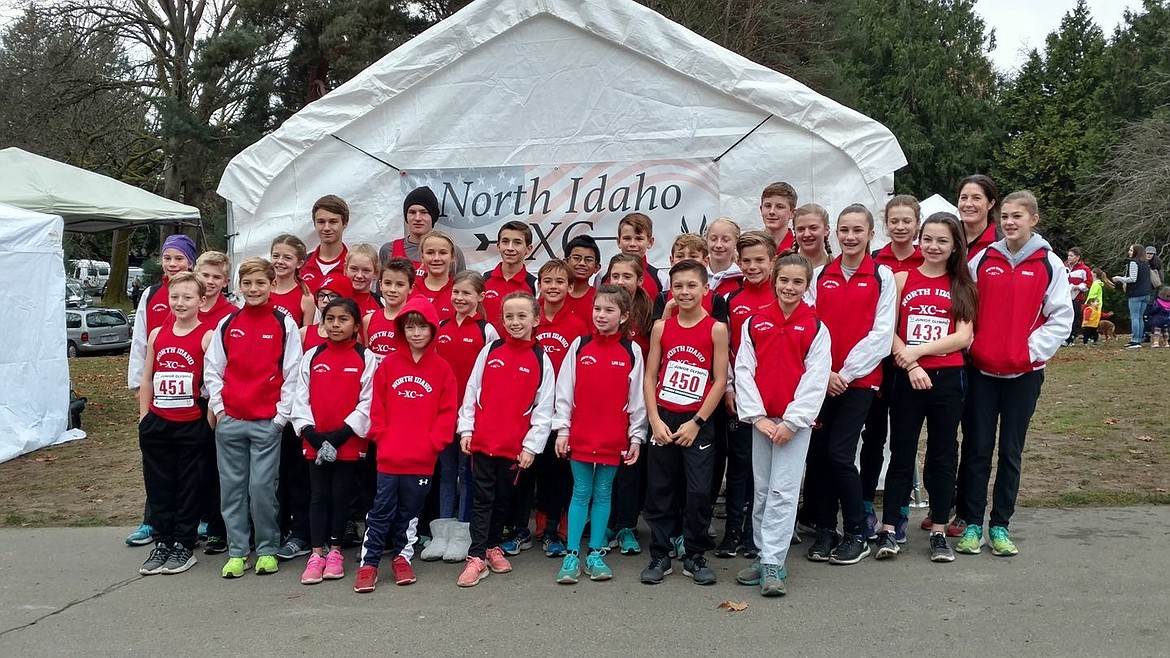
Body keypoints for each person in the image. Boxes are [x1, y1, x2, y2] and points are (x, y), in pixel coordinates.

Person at [956, 191, 1072, 557]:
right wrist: (974, 348)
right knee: (977, 449)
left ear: (1033, 220)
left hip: (1024, 375)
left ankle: (1001, 525)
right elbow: (965, 308)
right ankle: (972, 523)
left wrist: (1027, 353)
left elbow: (1061, 317)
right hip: (983, 373)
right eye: (1004, 216)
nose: (1009, 222)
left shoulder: (1049, 264)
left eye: (1017, 216)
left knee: (1010, 451)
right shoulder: (982, 260)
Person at [877, 213, 976, 563]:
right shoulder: (902, 278)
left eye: (942, 241)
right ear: (920, 240)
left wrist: (917, 352)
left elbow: (963, 336)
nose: (934, 247)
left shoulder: (961, 284)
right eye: (928, 239)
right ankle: (889, 528)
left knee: (942, 454)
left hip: (947, 379)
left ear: (954, 247)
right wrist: (912, 364)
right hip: (907, 377)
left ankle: (937, 531)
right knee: (902, 452)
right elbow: (885, 329)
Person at [732, 253, 831, 597]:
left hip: (793, 426)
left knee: (782, 491)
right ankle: (764, 554)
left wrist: (792, 421)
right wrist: (757, 417)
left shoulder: (816, 327)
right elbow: (743, 369)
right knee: (761, 489)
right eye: (784, 281)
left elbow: (815, 380)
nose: (790, 288)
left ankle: (774, 561)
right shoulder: (755, 322)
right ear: (774, 281)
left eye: (798, 282)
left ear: (807, 285)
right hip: (762, 422)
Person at [804, 205, 896, 566]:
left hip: (860, 382)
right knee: (820, 455)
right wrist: (825, 373)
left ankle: (857, 531)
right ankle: (827, 530)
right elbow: (810, 326)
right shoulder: (820, 274)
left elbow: (882, 333)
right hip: (823, 381)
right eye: (844, 230)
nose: (850, 236)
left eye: (858, 230)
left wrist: (847, 371)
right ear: (835, 234)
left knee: (842, 455)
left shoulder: (882, 277)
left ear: (872, 234)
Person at [204, 257, 303, 578]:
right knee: (231, 489)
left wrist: (279, 418)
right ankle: (236, 551)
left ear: (272, 285)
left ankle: (266, 549)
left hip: (266, 423)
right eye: (247, 283)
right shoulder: (228, 323)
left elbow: (292, 373)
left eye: (260, 283)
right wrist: (219, 409)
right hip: (231, 420)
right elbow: (213, 370)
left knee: (262, 489)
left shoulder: (283, 323)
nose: (253, 289)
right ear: (238, 286)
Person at [354, 297, 457, 592]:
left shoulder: (442, 369)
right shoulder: (388, 366)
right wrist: (382, 436)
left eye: (422, 327)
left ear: (432, 330)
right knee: (380, 511)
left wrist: (434, 443)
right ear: (401, 329)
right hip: (389, 456)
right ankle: (369, 564)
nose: (416, 333)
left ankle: (402, 557)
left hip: (422, 458)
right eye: (410, 327)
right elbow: (378, 405)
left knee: (410, 514)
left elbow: (447, 412)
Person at [640, 260, 730, 585]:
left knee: (697, 491)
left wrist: (697, 421)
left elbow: (719, 381)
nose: (685, 292)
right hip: (664, 417)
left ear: (706, 289)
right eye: (678, 286)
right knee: (660, 489)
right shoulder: (662, 328)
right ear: (670, 292)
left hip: (698, 421)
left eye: (692, 285)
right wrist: (653, 418)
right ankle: (660, 554)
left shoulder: (716, 329)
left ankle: (694, 554)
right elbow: (651, 376)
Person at [456, 292, 555, 587]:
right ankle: (476, 557)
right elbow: (472, 392)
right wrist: (467, 430)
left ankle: (492, 546)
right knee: (482, 498)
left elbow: (544, 408)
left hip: (514, 447)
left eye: (522, 316)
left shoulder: (542, 359)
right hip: (484, 441)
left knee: (503, 499)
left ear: (536, 320)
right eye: (509, 316)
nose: (515, 322)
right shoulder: (490, 351)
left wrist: (531, 446)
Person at [551, 284, 647, 583]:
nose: (601, 315)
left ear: (623, 316)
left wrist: (636, 437)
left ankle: (595, 553)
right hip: (581, 433)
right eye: (597, 309)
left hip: (613, 436)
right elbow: (564, 391)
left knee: (603, 492)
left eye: (609, 310)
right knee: (581, 491)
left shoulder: (631, 351)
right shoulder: (579, 346)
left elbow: (637, 401)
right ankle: (571, 556)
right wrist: (563, 430)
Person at [290, 297, 377, 585]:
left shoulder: (366, 357)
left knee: (341, 496)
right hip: (315, 443)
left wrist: (339, 437)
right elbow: (300, 398)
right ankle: (317, 554)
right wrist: (313, 435)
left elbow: (367, 403)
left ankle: (336, 551)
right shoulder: (312, 355)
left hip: (348, 444)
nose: (336, 324)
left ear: (355, 324)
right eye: (330, 319)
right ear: (323, 323)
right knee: (318, 497)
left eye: (343, 319)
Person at [507, 259, 588, 558]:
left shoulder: (578, 324)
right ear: (538, 284)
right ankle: (519, 530)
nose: (553, 287)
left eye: (560, 282)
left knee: (557, 474)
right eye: (547, 281)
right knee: (525, 473)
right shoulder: (529, 317)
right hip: (526, 413)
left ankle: (552, 528)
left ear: (570, 286)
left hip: (559, 414)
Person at [136, 272, 214, 576]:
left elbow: (213, 383)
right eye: (174, 297)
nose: (180, 303)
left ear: (201, 300)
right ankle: (162, 542)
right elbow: (146, 378)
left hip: (190, 424)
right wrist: (145, 419)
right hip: (158, 424)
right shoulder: (157, 334)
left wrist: (205, 424)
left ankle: (183, 542)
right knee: (159, 486)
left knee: (189, 486)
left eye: (187, 297)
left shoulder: (207, 335)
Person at [126, 233, 197, 546]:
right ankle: (152, 521)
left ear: (190, 262)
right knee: (157, 467)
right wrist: (142, 405)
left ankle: (192, 524)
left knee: (189, 468)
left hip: (190, 402)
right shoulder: (152, 294)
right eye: (168, 258)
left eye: (179, 258)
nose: (172, 264)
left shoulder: (196, 295)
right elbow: (141, 342)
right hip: (157, 397)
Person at [424, 271, 498, 563]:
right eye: (456, 292)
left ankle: (463, 533)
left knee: (468, 474)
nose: (460, 298)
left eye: (467, 293)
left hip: (471, 417)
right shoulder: (439, 328)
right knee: (446, 472)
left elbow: (489, 378)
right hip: (443, 412)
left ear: (480, 297)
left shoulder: (487, 331)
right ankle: (442, 531)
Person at [863, 195, 923, 536]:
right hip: (879, 362)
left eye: (907, 221)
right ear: (886, 224)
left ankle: (898, 510)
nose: (900, 227)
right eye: (894, 221)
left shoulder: (926, 258)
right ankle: (865, 506)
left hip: (914, 364)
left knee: (904, 441)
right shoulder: (874, 260)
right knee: (872, 437)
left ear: (916, 223)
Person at [719, 231, 778, 559]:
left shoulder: (782, 295)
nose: (753, 266)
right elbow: (726, 349)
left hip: (774, 396)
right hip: (742, 395)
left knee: (765, 468)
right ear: (738, 263)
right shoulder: (732, 301)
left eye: (760, 260)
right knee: (740, 464)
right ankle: (732, 531)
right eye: (747, 261)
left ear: (773, 261)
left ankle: (757, 533)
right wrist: (729, 387)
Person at [602, 253, 655, 555]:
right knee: (607, 463)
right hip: (607, 398)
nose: (621, 282)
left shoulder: (648, 312)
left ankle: (628, 524)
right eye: (616, 276)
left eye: (627, 277)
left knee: (632, 465)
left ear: (640, 280)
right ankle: (607, 521)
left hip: (639, 399)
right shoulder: (603, 308)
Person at [378, 186, 467, 277]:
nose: (417, 218)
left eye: (424, 212)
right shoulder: (388, 250)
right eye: (412, 212)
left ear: (433, 217)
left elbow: (462, 287)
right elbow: (380, 289)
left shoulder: (452, 252)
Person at [483, 221, 537, 332]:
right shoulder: (484, 279)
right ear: (498, 246)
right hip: (486, 348)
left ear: (528, 249)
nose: (510, 248)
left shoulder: (534, 285)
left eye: (517, 243)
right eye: (505, 242)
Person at [364, 257, 415, 359]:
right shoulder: (368, 320)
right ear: (380, 285)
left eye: (399, 285)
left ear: (410, 288)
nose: (392, 289)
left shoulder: (414, 321)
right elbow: (366, 356)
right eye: (387, 283)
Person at [301, 195, 350, 294]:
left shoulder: (353, 266)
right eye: (321, 222)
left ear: (345, 223)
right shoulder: (302, 264)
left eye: (333, 222)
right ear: (314, 224)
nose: (326, 228)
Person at [614, 212, 669, 298]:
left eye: (639, 239)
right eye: (627, 238)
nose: (632, 244)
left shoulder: (661, 279)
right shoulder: (603, 276)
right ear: (618, 241)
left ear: (650, 242)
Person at [1113, 244, 1154, 348]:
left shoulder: (1133, 263)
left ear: (1136, 252)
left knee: (1135, 317)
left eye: (1131, 250)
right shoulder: (1145, 263)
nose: (1129, 252)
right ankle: (1139, 339)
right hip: (1146, 293)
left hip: (1136, 294)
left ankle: (1135, 340)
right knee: (1140, 317)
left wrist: (1119, 278)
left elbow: (1132, 278)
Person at [269, 234, 315, 327]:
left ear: (299, 263)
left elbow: (305, 336)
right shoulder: (263, 290)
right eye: (276, 256)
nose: (280, 261)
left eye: (287, 258)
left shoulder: (306, 298)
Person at [411, 232, 458, 321]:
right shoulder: (410, 289)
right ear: (422, 256)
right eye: (430, 253)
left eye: (443, 253)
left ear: (452, 256)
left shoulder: (459, 291)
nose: (436, 258)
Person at [956, 175, 1001, 260]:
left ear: (991, 203)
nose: (968, 204)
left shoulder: (1002, 243)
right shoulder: (948, 236)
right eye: (964, 198)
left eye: (976, 198)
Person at [563, 235, 602, 325]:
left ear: (597, 267)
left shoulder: (599, 299)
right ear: (565, 262)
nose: (582, 263)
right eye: (576, 258)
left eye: (589, 260)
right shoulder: (554, 294)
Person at [194, 251, 237, 327]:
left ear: (226, 282)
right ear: (194, 276)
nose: (210, 281)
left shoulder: (233, 314)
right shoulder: (183, 307)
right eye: (205, 275)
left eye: (216, 277)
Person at [705, 218, 743, 296]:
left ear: (736, 242)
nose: (718, 245)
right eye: (713, 239)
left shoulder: (742, 280)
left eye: (725, 240)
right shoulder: (696, 275)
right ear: (706, 240)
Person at [345, 244, 383, 319]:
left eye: (366, 270)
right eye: (354, 269)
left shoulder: (382, 303)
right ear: (345, 269)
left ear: (375, 273)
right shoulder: (334, 299)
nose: (359, 276)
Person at [760, 182, 797, 254]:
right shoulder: (751, 247)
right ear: (761, 209)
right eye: (768, 206)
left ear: (792, 213)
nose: (771, 212)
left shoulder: (799, 248)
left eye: (779, 207)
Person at [1065, 247, 1092, 347]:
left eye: (1071, 256)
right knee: (1065, 317)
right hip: (1065, 296)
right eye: (1068, 255)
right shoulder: (1064, 267)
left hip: (1077, 297)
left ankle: (1072, 337)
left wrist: (1079, 287)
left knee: (1074, 317)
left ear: (1078, 257)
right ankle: (1065, 337)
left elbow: (1088, 283)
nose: (1069, 258)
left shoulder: (1084, 269)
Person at [792, 204, 832, 269]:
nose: (806, 234)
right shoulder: (784, 267)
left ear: (826, 230)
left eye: (813, 228)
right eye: (801, 229)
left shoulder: (837, 268)